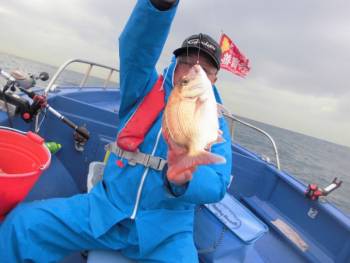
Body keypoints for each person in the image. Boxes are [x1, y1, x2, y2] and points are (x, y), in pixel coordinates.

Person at [0, 0, 232, 262]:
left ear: (214, 79)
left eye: (206, 68)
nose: (195, 70)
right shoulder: (143, 88)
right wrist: (159, 6)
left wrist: (185, 180)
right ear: (174, 64)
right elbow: (137, 48)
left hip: (166, 233)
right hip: (105, 209)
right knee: (23, 225)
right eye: (187, 61)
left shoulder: (216, 125)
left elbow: (218, 182)